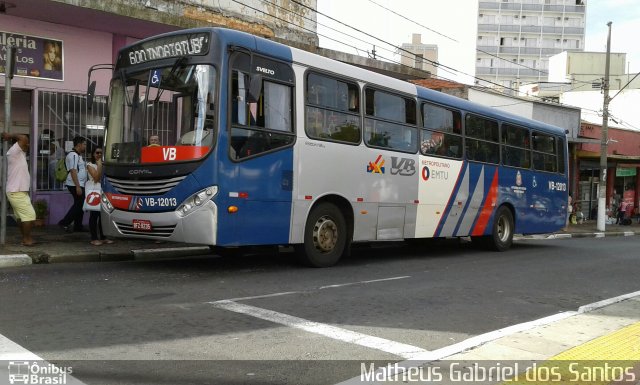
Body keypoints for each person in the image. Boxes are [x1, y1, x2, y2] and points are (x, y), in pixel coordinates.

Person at [1, 133, 36, 246]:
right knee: (30, 216)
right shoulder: (14, 150)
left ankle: (25, 238)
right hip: (16, 190)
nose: (28, 144)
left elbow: (24, 140)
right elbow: (23, 138)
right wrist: (9, 135)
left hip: (18, 190)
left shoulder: (19, 152)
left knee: (22, 217)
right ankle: (26, 238)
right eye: (27, 143)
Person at [58, 136, 87, 232]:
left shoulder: (77, 155)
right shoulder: (73, 155)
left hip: (78, 184)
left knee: (79, 204)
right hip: (74, 184)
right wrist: (78, 186)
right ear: (79, 144)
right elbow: (73, 171)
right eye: (84, 144)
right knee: (80, 204)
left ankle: (78, 226)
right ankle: (64, 222)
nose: (85, 146)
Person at [86, 147, 113, 246]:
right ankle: (94, 238)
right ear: (93, 154)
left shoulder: (104, 164)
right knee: (94, 215)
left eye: (101, 153)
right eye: (97, 153)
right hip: (95, 192)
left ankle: (103, 237)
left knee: (103, 215)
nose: (99, 155)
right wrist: (99, 164)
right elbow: (96, 178)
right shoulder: (90, 165)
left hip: (104, 191)